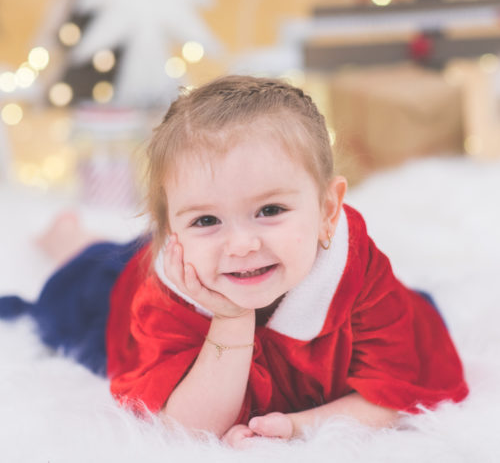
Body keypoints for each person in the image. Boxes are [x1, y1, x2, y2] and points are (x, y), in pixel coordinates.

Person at [0, 75, 468, 447]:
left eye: (270, 211)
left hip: (191, 255)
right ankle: (71, 236)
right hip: (114, 297)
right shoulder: (165, 296)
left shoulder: (357, 275)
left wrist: (299, 426)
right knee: (87, 273)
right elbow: (186, 427)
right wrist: (230, 318)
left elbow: (394, 393)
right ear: (172, 234)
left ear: (328, 211)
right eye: (206, 219)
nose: (241, 245)